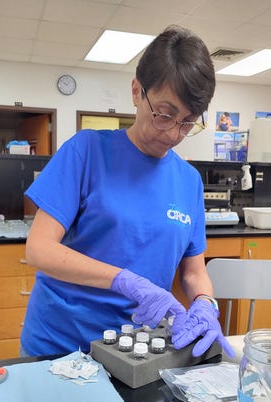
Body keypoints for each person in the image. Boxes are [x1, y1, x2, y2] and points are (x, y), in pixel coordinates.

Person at [20, 25, 234, 360]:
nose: (174, 133)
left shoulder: (188, 180)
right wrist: (124, 280)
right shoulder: (86, 152)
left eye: (188, 122)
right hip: (61, 345)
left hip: (139, 350)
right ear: (137, 91)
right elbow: (39, 249)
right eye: (165, 114)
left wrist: (205, 303)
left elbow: (194, 271)